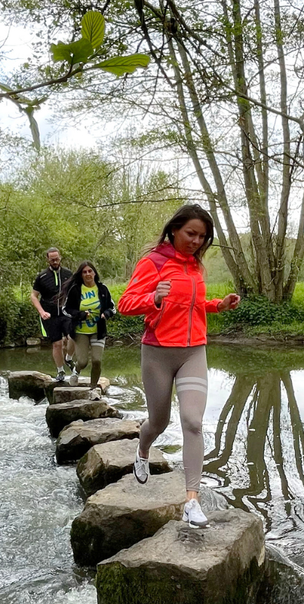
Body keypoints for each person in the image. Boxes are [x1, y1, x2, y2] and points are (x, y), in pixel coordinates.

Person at [117, 203, 241, 527]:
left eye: (202, 236)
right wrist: (154, 299)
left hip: (193, 352)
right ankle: (143, 448)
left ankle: (191, 501)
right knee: (158, 422)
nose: (196, 241)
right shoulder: (153, 262)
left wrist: (218, 305)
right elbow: (125, 304)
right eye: (191, 233)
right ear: (174, 229)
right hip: (157, 352)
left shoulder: (196, 267)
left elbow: (194, 305)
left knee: (193, 422)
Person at [62, 261, 116, 391]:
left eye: (90, 271)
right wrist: (80, 314)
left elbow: (112, 308)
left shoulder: (102, 289)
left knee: (97, 360)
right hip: (80, 331)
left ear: (94, 273)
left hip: (98, 330)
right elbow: (66, 309)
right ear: (81, 275)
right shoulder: (75, 290)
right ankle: (76, 369)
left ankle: (93, 390)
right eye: (84, 272)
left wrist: (106, 314)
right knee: (83, 362)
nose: (87, 274)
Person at [30, 247, 76, 383]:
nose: (55, 261)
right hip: (50, 315)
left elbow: (76, 292)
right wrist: (41, 311)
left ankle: (68, 358)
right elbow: (33, 296)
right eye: (52, 260)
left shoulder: (68, 274)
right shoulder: (42, 277)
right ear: (48, 260)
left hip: (66, 312)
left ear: (60, 257)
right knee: (57, 344)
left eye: (57, 259)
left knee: (73, 337)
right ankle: (60, 370)